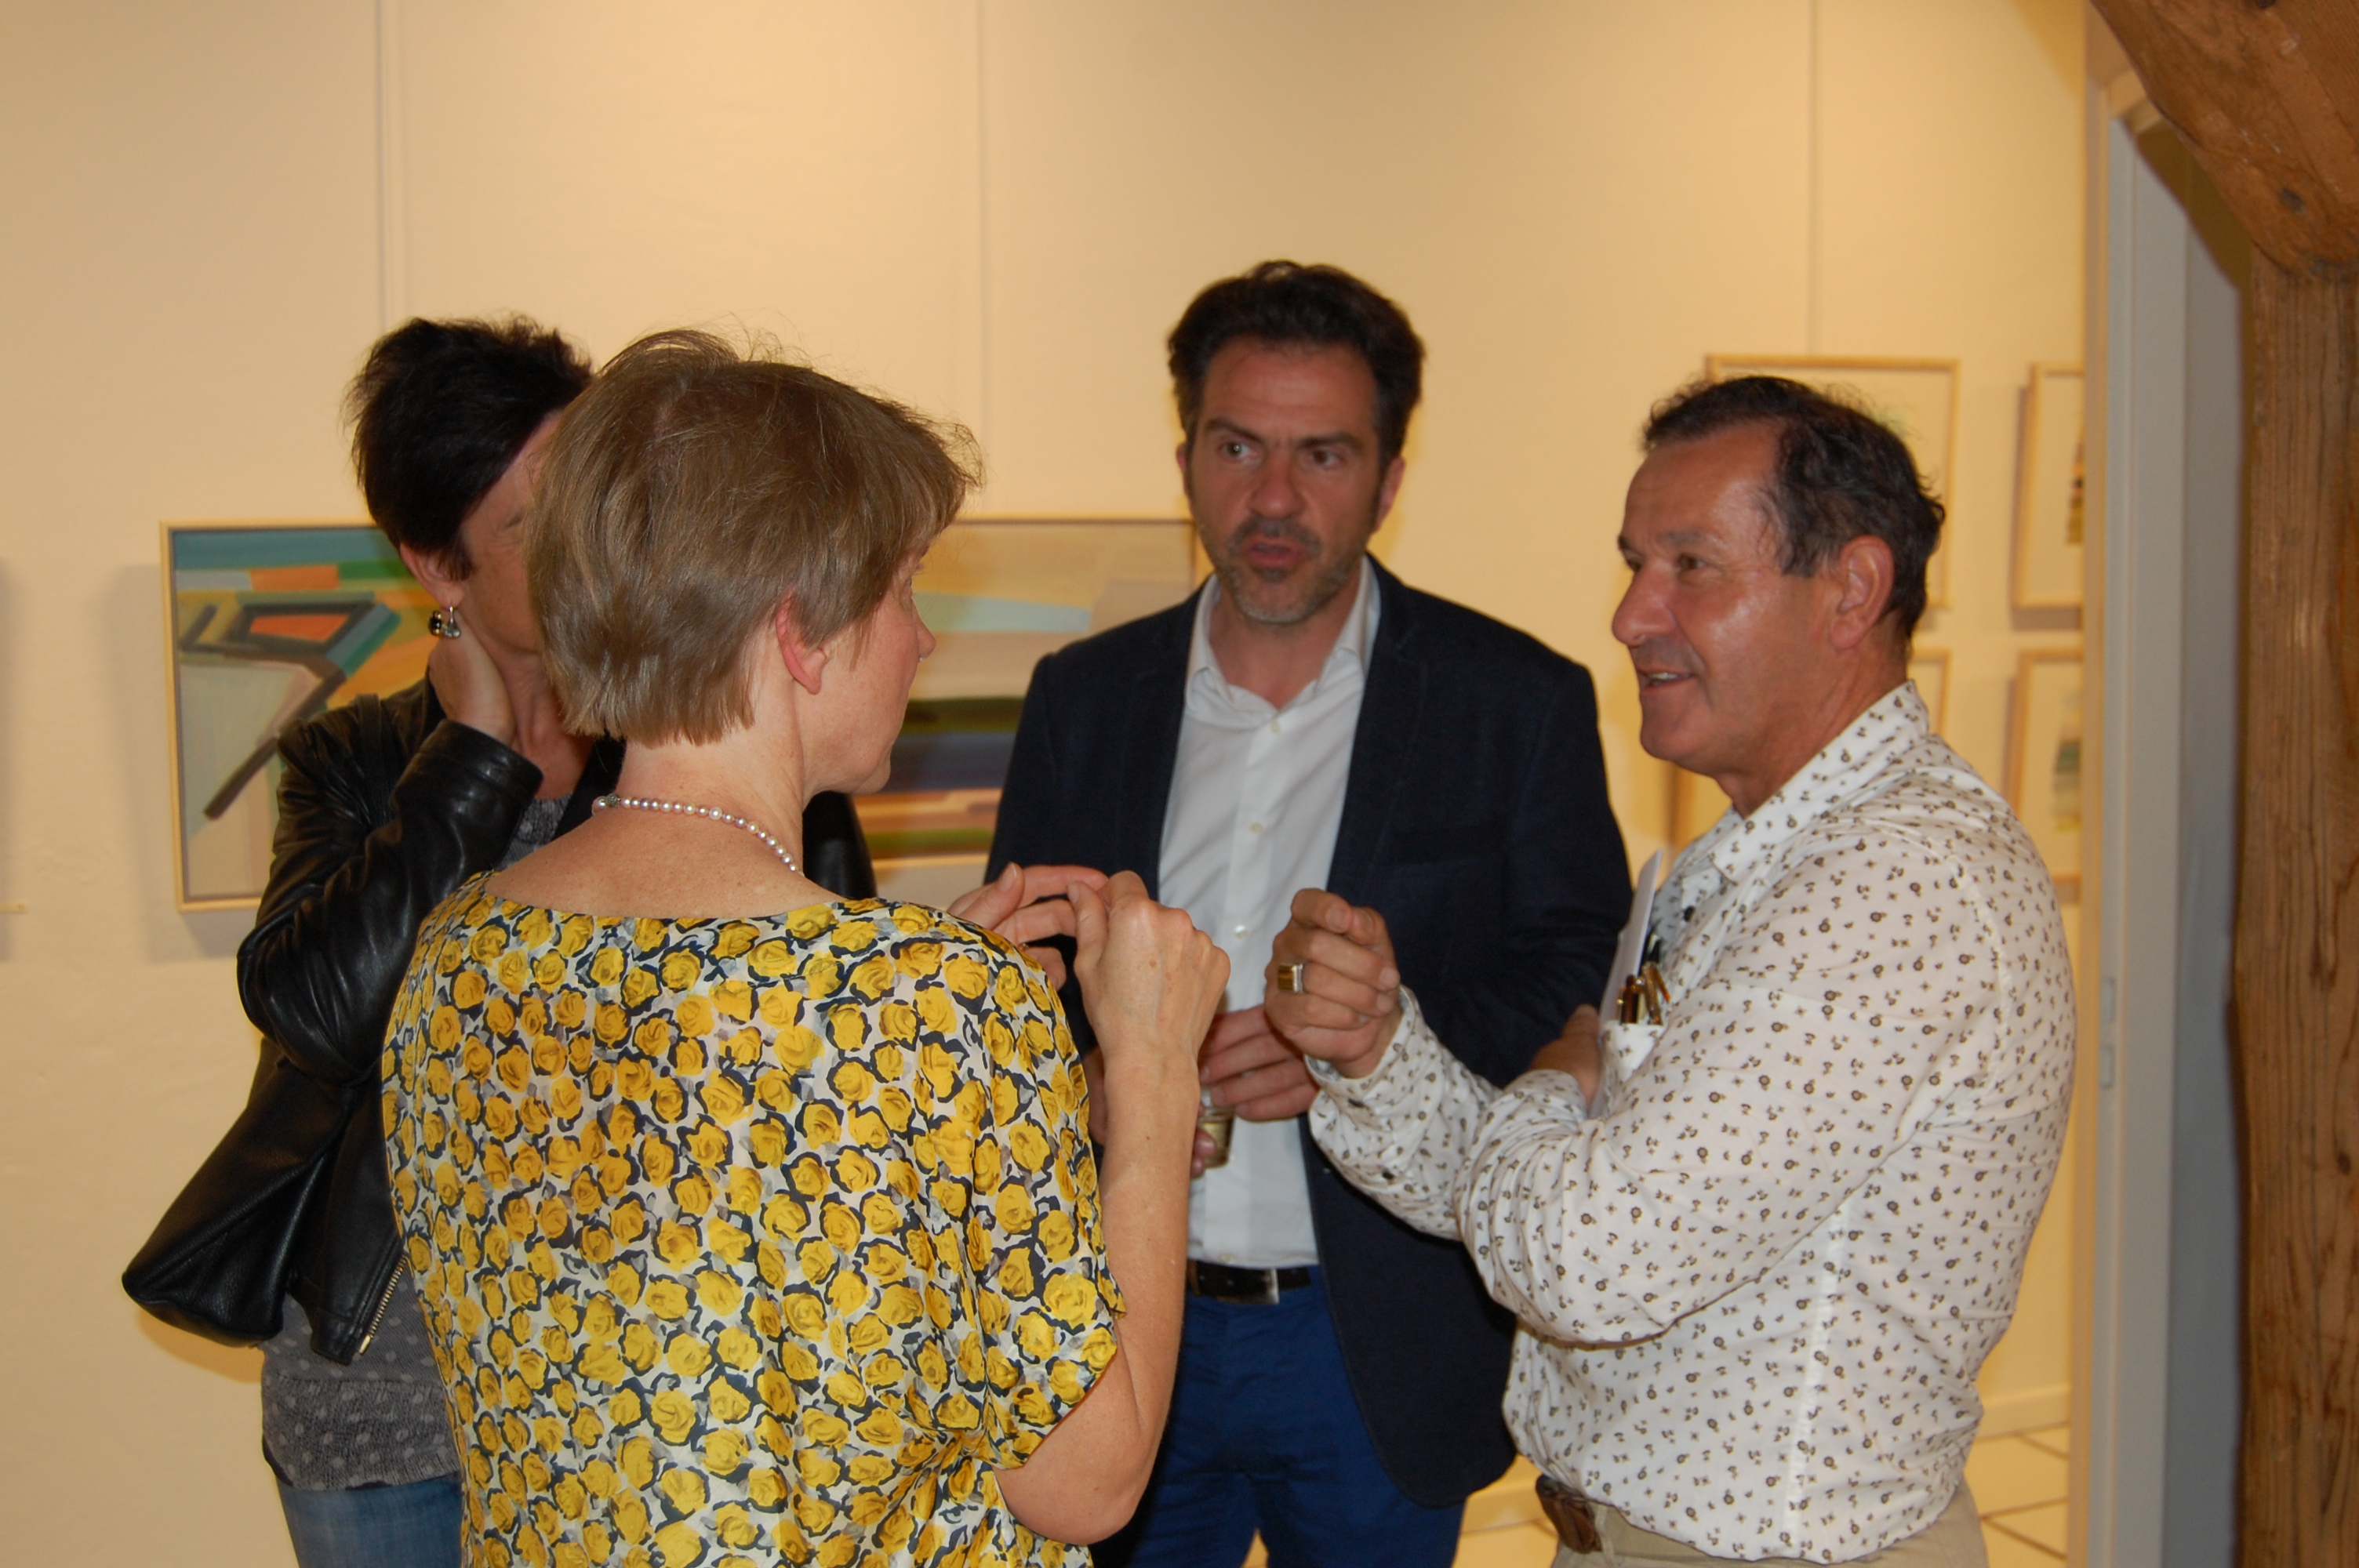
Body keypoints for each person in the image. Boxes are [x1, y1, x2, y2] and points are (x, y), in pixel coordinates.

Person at [382, 328, 1231, 1568]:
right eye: (903, 590)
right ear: (798, 629)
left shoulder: (458, 958)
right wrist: (1154, 1073)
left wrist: (927, 1017)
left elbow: (689, 1308)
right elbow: (1087, 1483)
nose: (921, 639)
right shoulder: (927, 1008)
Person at [1269, 376, 2076, 1566]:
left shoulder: (1895, 886)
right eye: (1636, 564)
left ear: (1851, 590)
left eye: (1692, 566)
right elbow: (1552, 1200)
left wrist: (1558, 1076)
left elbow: (1587, 1259)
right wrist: (1377, 1049)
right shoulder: (1749, 859)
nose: (1631, 615)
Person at [988, 261, 1630, 1567]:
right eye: (1238, 447)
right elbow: (1022, 977)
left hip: (1373, 1339)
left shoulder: (1516, 700)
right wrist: (1101, 1078)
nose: (1274, 499)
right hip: (1123, 1319)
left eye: (1323, 455)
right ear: (1185, 460)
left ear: (1389, 480)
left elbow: (1578, 971)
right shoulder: (1085, 696)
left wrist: (1370, 1048)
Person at [231, 315, 881, 1568]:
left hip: (655, 1373)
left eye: (604, 498)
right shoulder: (354, 759)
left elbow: (813, 1044)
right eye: (540, 523)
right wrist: (472, 763)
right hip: (387, 1391)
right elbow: (315, 1016)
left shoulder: (720, 746)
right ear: (439, 566)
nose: (593, 542)